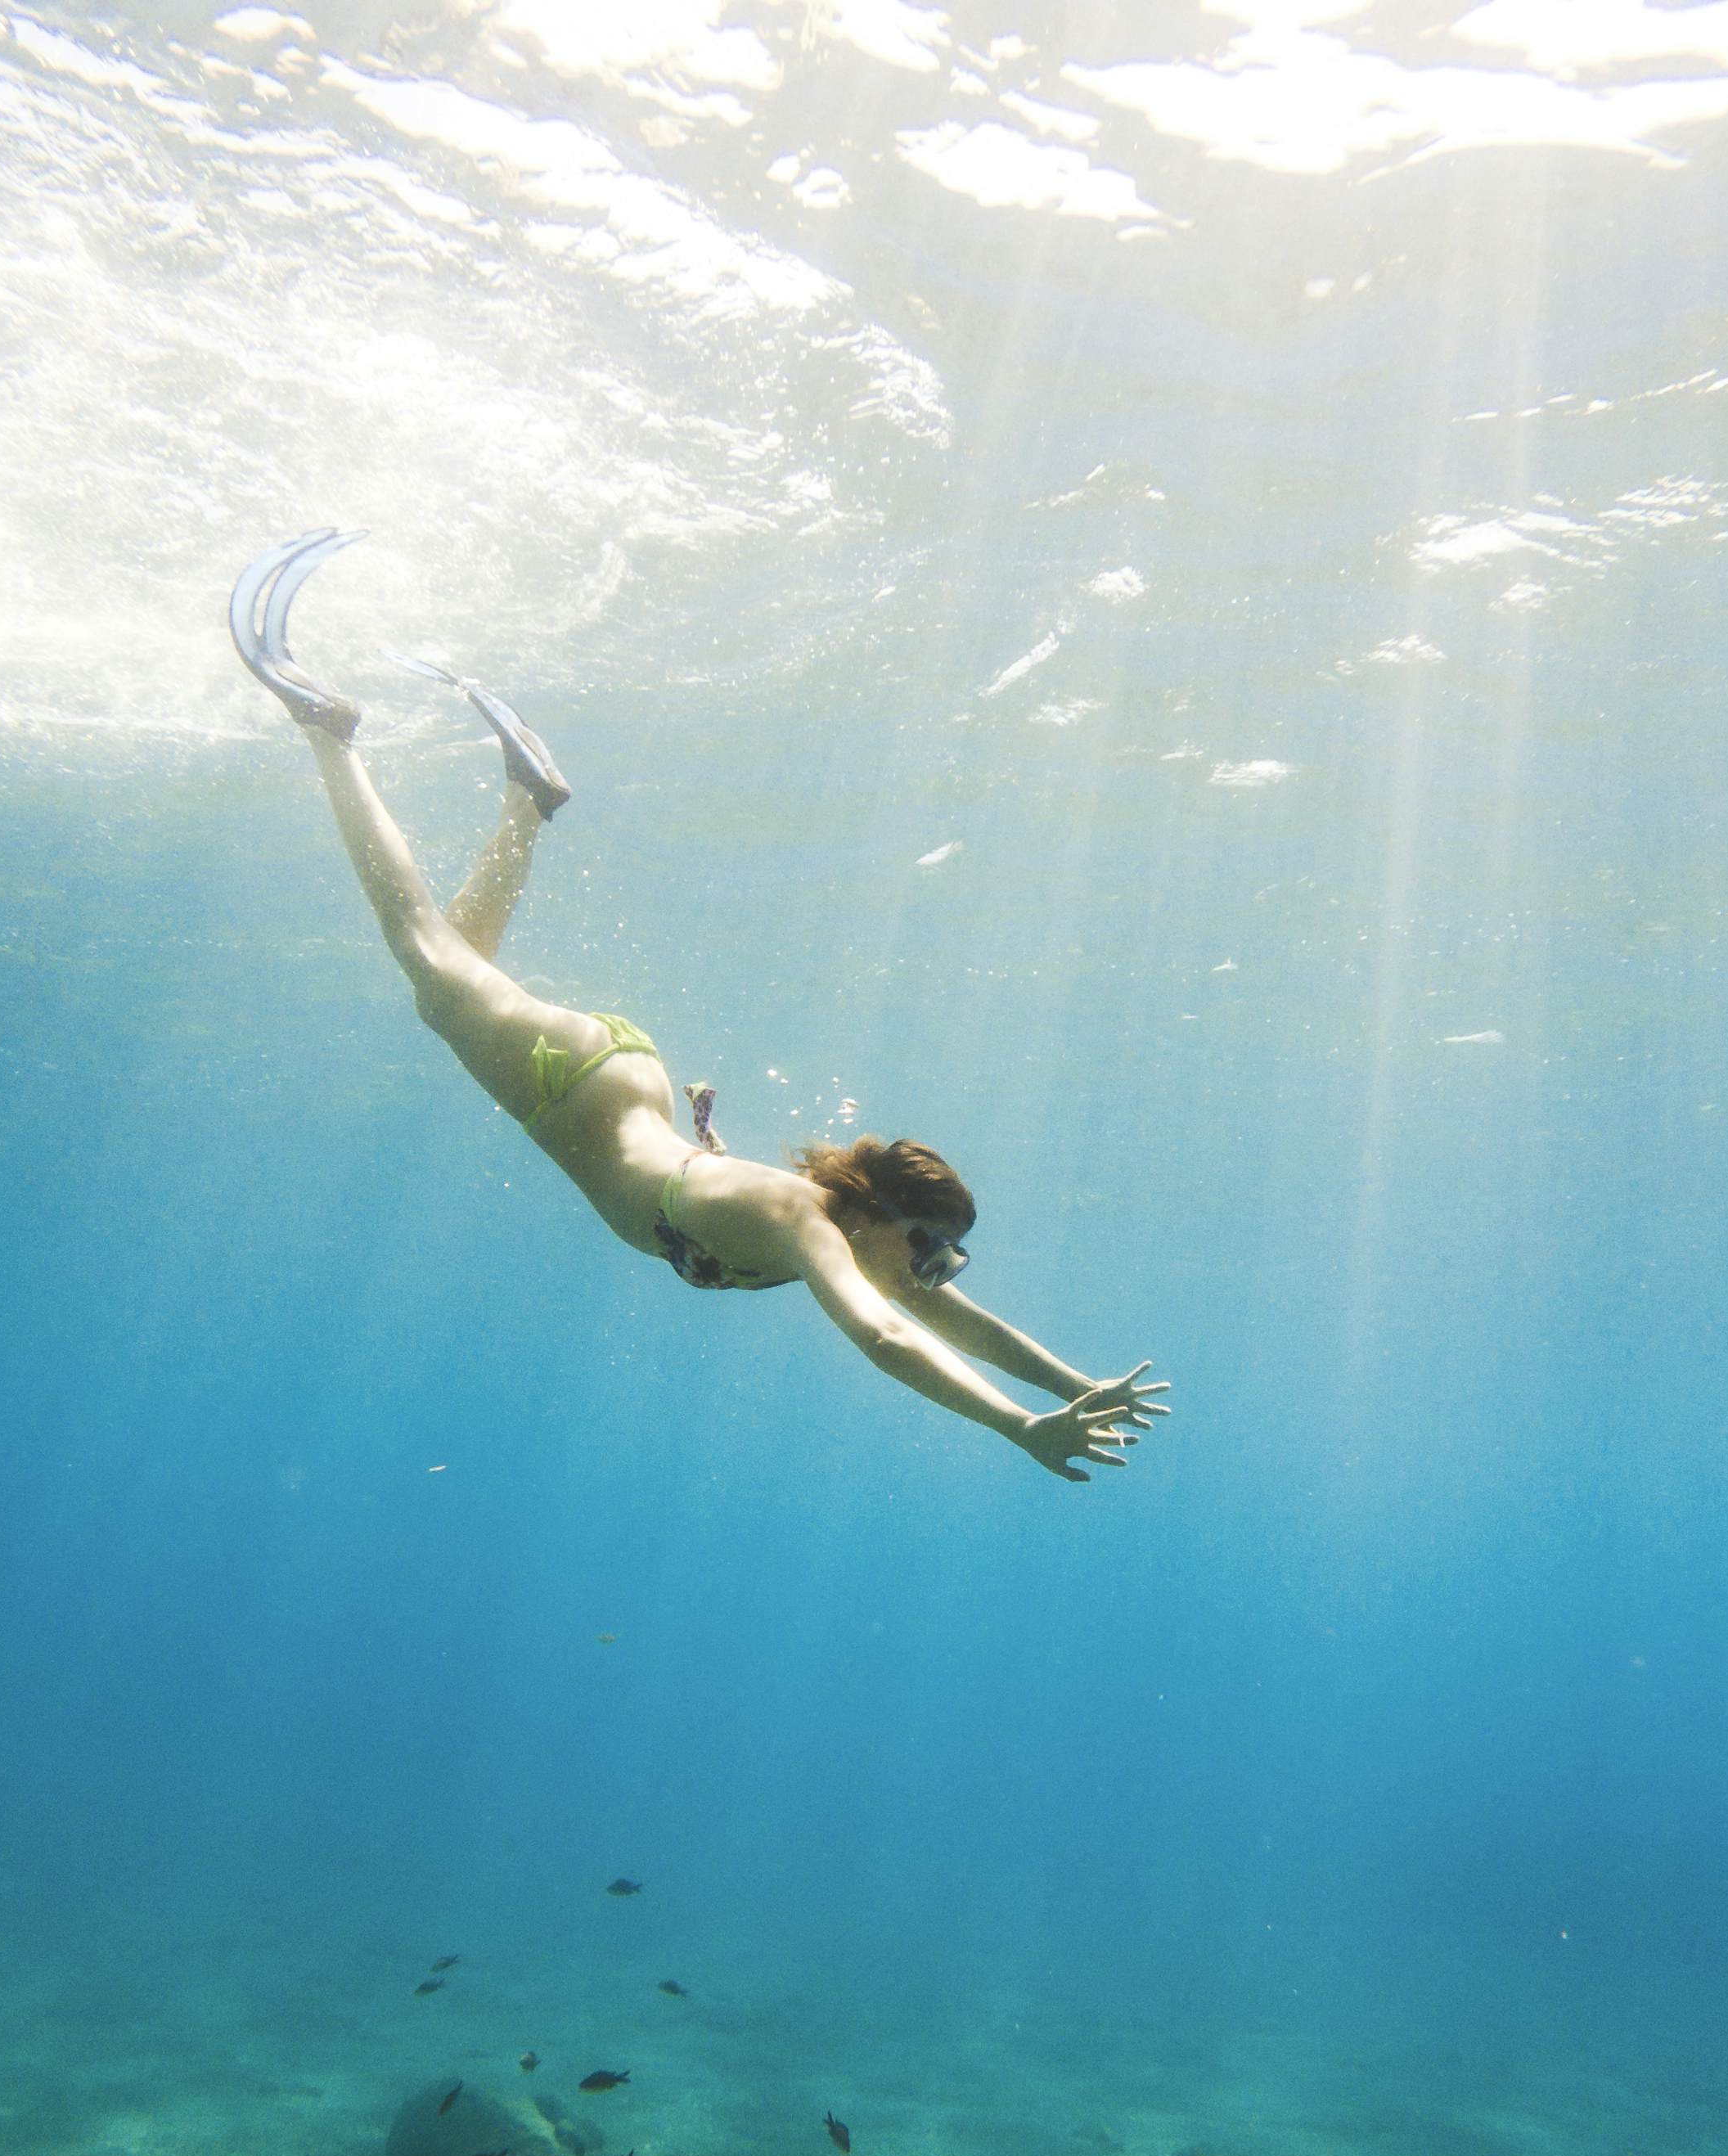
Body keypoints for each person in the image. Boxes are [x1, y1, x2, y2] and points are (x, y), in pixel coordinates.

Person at [228, 530, 1168, 1482]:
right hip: (573, 1086)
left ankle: (525, 802)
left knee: (452, 980)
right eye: (928, 1248)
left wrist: (1073, 1387)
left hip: (612, 1076)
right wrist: (1017, 1429)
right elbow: (887, 1338)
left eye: (943, 1259)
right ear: (876, 1214)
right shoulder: (800, 1220)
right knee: (427, 954)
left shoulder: (842, 1239)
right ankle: (327, 728)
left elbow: (932, 1311)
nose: (931, 1272)